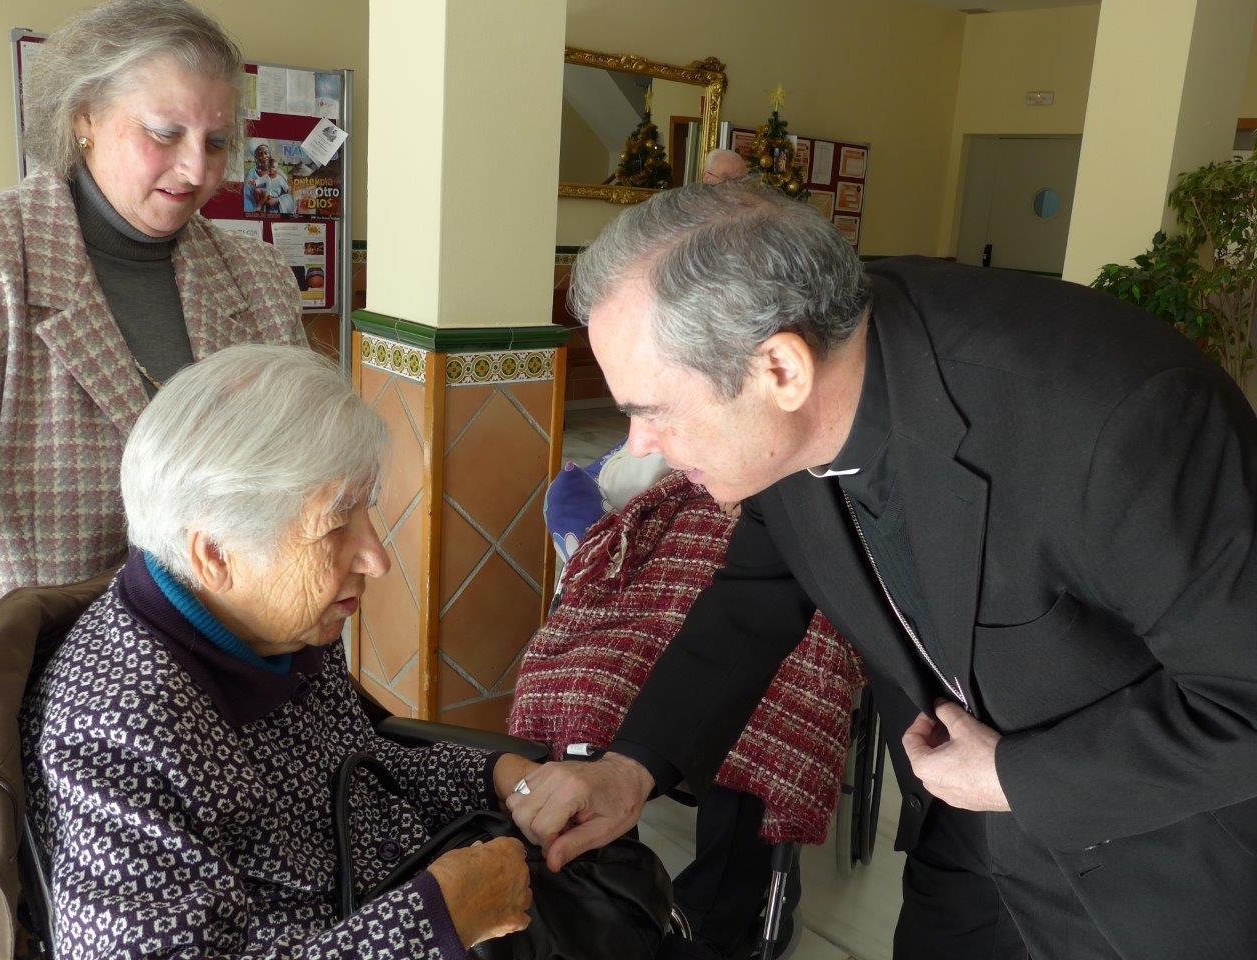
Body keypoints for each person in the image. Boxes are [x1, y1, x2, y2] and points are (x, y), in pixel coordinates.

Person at [506, 181, 1257, 960]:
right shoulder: (793, 416)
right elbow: (756, 598)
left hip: (1158, 865)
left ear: (780, 370)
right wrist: (631, 769)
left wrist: (1013, 779)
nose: (638, 448)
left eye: (653, 410)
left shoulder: (1119, 422)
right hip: (963, 845)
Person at [21, 344, 539, 959]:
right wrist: (434, 920)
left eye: (364, 510)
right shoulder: (116, 732)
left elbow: (352, 769)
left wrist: (496, 777)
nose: (376, 558)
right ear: (213, 555)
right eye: (335, 524)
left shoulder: (275, 625)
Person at [0, 0, 308, 625]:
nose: (196, 169)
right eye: (164, 134)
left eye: (215, 143)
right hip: (57, 676)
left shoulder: (256, 276)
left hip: (238, 650)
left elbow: (292, 475)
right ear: (85, 118)